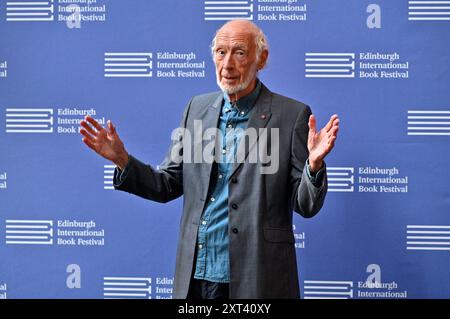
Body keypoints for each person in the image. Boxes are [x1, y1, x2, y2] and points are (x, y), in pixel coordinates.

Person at [80, 20, 339, 299]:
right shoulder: (197, 109)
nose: (227, 64)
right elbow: (167, 183)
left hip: (258, 276)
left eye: (239, 52)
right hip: (197, 276)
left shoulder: (292, 115)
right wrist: (123, 160)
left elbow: (306, 205)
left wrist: (313, 166)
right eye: (220, 52)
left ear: (261, 59)